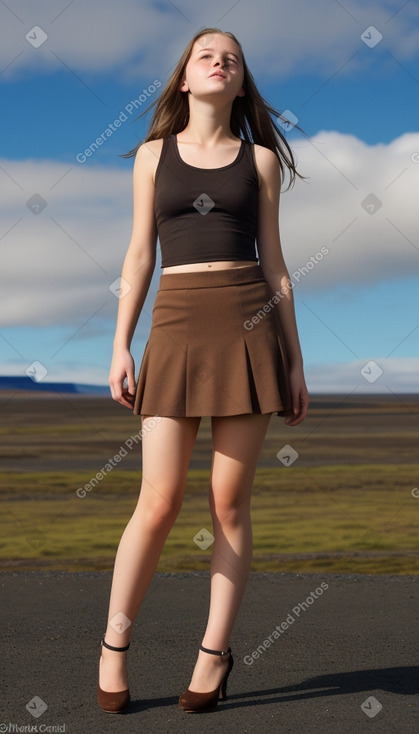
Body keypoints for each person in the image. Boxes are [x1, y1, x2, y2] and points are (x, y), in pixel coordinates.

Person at [98, 26, 309, 715]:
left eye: (232, 58)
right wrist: (120, 344)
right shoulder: (153, 157)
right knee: (156, 503)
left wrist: (295, 360)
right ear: (185, 79)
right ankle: (113, 646)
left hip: (248, 326)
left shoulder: (261, 163)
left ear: (240, 84)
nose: (219, 62)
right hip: (176, 323)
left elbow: (276, 263)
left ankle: (213, 656)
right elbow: (138, 259)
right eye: (205, 55)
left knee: (227, 504)